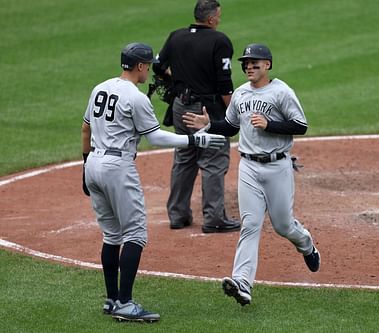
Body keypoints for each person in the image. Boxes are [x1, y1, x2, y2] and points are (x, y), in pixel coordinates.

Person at [81, 42, 227, 322]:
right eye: (147, 65)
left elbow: (85, 128)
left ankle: (112, 300)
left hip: (94, 163)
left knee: (112, 235)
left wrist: (85, 167)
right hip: (117, 166)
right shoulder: (136, 98)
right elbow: (156, 137)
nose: (150, 69)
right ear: (139, 66)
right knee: (135, 234)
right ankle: (125, 304)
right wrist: (196, 139)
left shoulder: (99, 88)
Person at [183, 43, 321, 306]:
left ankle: (306, 245)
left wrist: (271, 125)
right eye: (246, 63)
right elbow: (232, 126)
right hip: (248, 167)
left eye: (254, 62)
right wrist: (210, 125)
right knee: (250, 225)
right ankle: (242, 284)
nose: (249, 66)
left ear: (267, 65)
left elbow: (300, 126)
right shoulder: (241, 94)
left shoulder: (282, 92)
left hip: (278, 166)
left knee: (282, 225)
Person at [153, 0, 240, 233]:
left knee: (185, 157)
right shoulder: (219, 41)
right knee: (213, 159)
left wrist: (180, 78)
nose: (219, 20)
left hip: (181, 106)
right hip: (206, 110)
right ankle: (214, 218)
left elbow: (159, 66)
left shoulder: (176, 36)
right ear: (211, 19)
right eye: (218, 16)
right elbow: (224, 84)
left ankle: (178, 215)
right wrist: (233, 113)